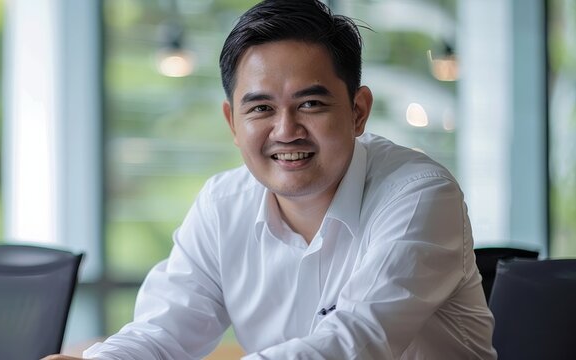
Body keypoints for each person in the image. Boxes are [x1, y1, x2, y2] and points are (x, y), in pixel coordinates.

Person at [45, 0, 496, 358]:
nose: (285, 131)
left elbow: (356, 343)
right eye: (261, 108)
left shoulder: (418, 193)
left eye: (311, 104)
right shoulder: (223, 204)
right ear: (232, 123)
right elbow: (163, 332)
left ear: (358, 111)